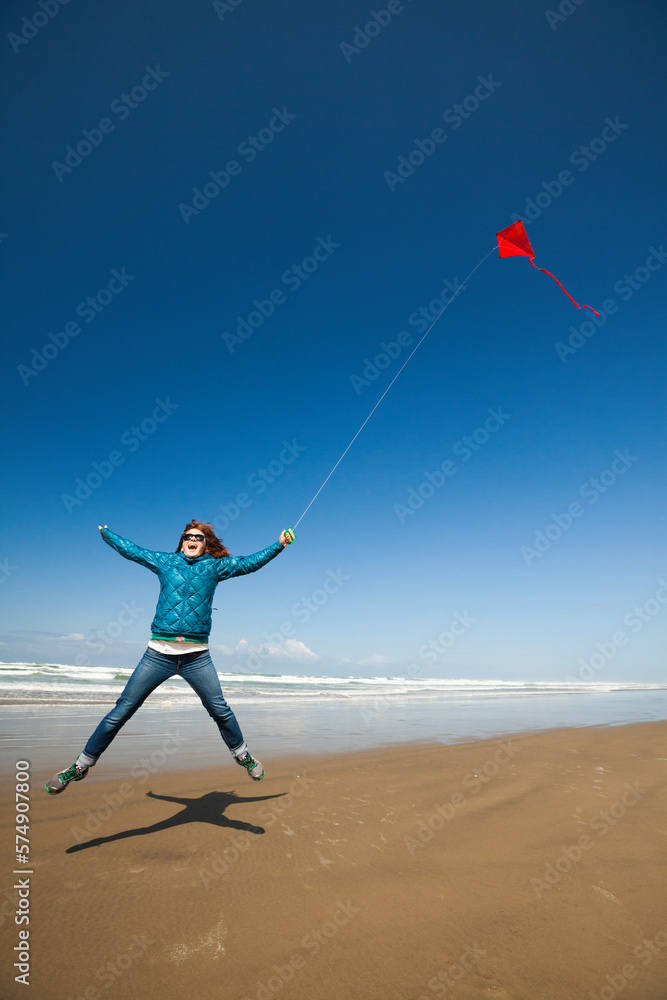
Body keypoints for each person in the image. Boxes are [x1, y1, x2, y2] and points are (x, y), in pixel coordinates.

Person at [45, 521, 293, 795]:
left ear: (205, 543)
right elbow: (133, 551)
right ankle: (80, 766)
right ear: (182, 541)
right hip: (158, 655)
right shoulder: (166, 562)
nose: (192, 540)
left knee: (219, 709)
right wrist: (108, 535)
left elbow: (249, 563)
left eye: (198, 537)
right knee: (122, 711)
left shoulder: (215, 566)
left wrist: (279, 545)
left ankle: (242, 755)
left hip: (197, 657)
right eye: (188, 536)